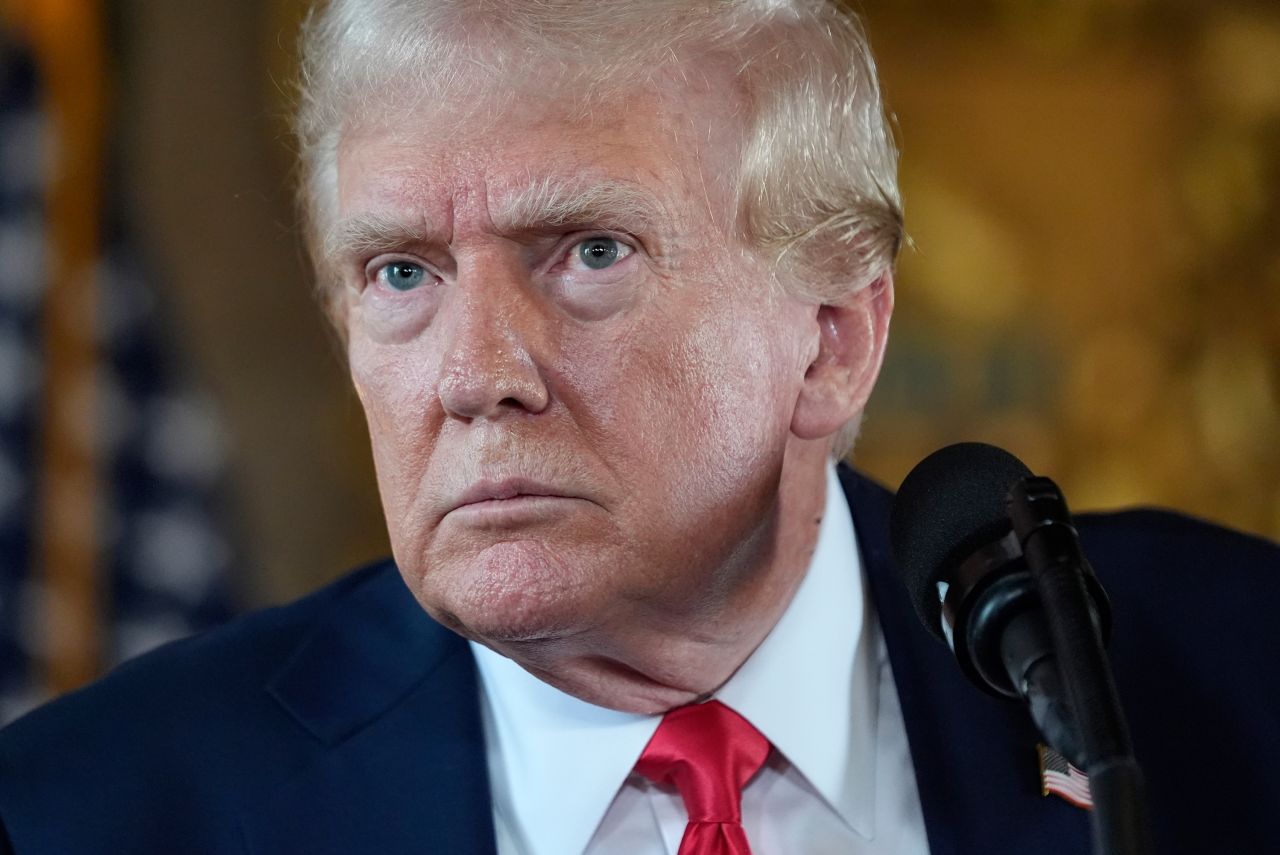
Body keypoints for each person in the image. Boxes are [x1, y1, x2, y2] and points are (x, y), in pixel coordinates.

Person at [1, 2, 1277, 853]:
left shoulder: (1232, 676)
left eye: (587, 252)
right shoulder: (94, 811)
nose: (473, 374)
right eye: (401, 273)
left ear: (832, 337)